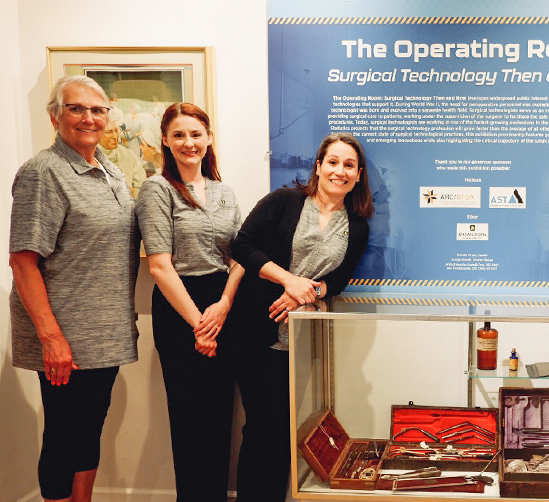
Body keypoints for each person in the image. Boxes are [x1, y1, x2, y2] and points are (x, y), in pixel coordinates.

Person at [9, 75, 139, 502]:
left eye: (98, 110)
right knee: (64, 435)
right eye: (76, 108)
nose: (88, 118)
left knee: (88, 429)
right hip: (64, 335)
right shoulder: (43, 172)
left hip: (104, 334)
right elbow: (23, 261)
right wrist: (51, 337)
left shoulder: (111, 171)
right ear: (54, 116)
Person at [226, 132, 372, 501]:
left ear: (358, 175)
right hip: (256, 331)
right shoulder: (285, 201)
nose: (340, 171)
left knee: (285, 429)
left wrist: (311, 292)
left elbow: (337, 281)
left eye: (349, 165)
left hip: (301, 340)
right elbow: (242, 246)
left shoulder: (357, 226)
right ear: (319, 166)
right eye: (333, 162)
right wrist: (290, 282)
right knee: (261, 428)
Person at [136, 103, 243, 502]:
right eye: (179, 135)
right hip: (181, 309)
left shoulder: (223, 191)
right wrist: (200, 323)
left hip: (223, 306)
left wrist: (225, 305)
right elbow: (161, 267)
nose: (188, 143)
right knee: (189, 419)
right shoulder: (156, 189)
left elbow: (239, 257)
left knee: (220, 419)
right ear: (165, 140)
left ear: (209, 138)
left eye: (196, 134)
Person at [99, 119, 146, 197]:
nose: (115, 136)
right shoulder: (87, 158)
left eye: (117, 131)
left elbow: (142, 186)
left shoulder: (129, 155)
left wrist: (134, 193)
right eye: (109, 132)